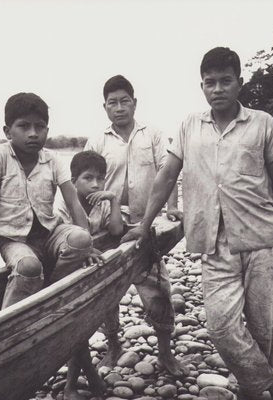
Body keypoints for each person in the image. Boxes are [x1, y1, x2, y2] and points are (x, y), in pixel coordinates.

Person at [122, 47, 273, 400]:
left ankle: (251, 390)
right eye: (210, 83)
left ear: (239, 83)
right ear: (201, 86)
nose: (218, 89)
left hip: (261, 239)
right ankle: (272, 382)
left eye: (225, 81)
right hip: (213, 243)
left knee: (264, 329)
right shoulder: (188, 126)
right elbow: (166, 176)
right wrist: (145, 223)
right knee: (219, 326)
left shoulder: (263, 124)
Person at [84, 75, 188, 377]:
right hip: (106, 227)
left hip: (146, 223)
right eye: (112, 103)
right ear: (104, 107)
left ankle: (165, 352)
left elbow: (167, 173)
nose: (119, 108)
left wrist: (170, 208)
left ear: (134, 103)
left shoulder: (153, 135)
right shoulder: (98, 141)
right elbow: (84, 187)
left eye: (124, 101)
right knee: (106, 293)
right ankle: (114, 345)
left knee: (157, 289)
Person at [0, 92, 101, 306]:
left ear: (47, 131)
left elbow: (73, 202)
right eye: (24, 126)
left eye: (39, 127)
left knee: (81, 239)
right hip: (13, 240)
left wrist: (88, 248)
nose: (33, 133)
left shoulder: (52, 159)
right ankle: (9, 322)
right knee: (29, 267)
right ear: (7, 131)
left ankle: (52, 292)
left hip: (50, 234)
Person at [56, 150, 124, 399]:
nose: (95, 184)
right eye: (88, 178)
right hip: (67, 270)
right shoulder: (62, 204)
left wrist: (114, 199)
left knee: (82, 328)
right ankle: (75, 384)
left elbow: (116, 229)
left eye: (100, 178)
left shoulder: (101, 202)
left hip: (91, 271)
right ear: (73, 180)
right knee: (78, 328)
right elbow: (64, 240)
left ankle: (78, 384)